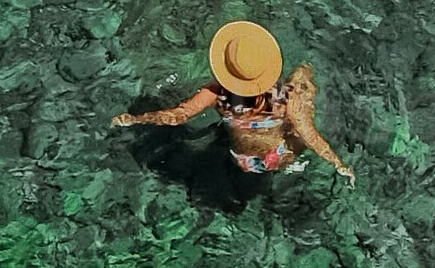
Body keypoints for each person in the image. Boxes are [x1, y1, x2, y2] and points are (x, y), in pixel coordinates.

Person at [118, 18, 352, 188]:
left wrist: (137, 118)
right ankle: (286, 168)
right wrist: (338, 164)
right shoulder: (286, 97)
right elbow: (310, 136)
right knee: (302, 79)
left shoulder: (216, 91)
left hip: (243, 160)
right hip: (277, 156)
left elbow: (180, 115)